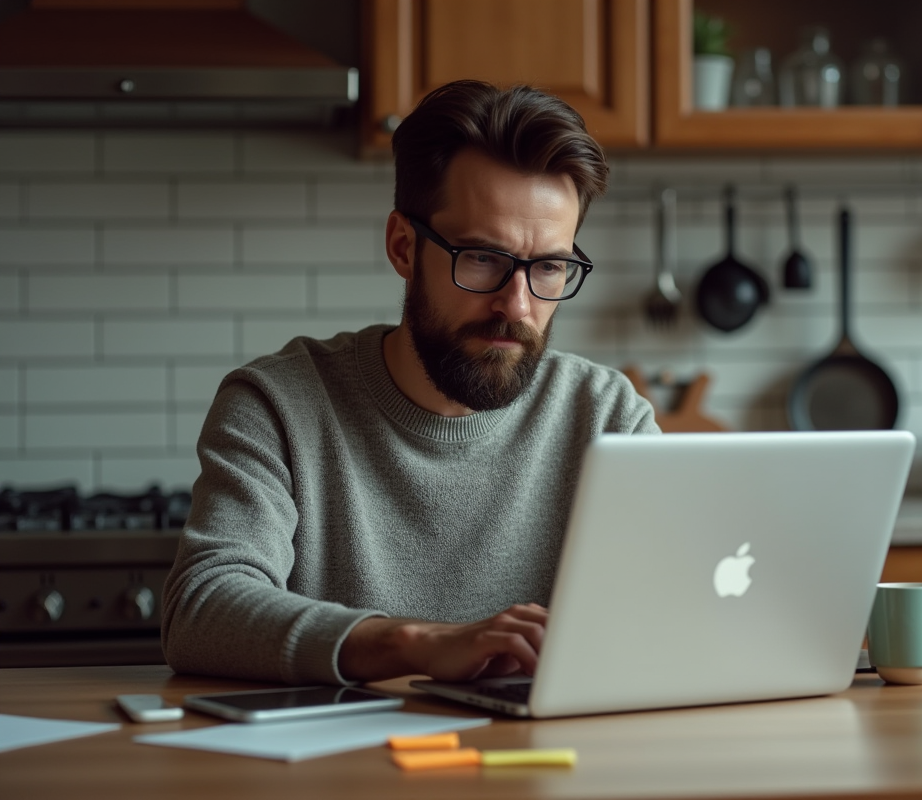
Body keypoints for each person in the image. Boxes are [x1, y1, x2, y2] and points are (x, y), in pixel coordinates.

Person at [161, 80, 659, 687]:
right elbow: (203, 607)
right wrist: (415, 644)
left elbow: (678, 606)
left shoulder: (608, 418)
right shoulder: (278, 406)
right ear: (403, 246)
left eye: (549, 267)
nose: (518, 305)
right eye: (481, 258)